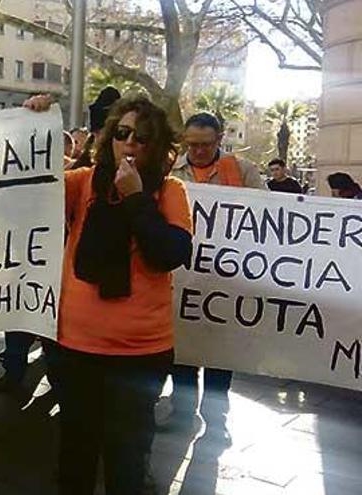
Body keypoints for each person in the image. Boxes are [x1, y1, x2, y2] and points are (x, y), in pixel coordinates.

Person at [25, 93, 193, 495]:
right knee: (76, 456)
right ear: (108, 137)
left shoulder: (169, 191)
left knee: (128, 462)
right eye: (123, 133)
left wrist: (136, 197)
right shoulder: (83, 183)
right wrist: (30, 126)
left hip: (139, 356)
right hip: (75, 349)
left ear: (157, 147)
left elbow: (171, 253)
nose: (131, 144)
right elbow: (28, 194)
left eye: (143, 137)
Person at [164, 112, 262, 445]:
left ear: (219, 139)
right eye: (192, 145)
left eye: (206, 144)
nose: (199, 151)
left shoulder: (244, 171)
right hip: (183, 278)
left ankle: (216, 420)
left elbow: (265, 218)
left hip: (226, 281)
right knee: (184, 350)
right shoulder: (170, 169)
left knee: (220, 355)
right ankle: (181, 412)